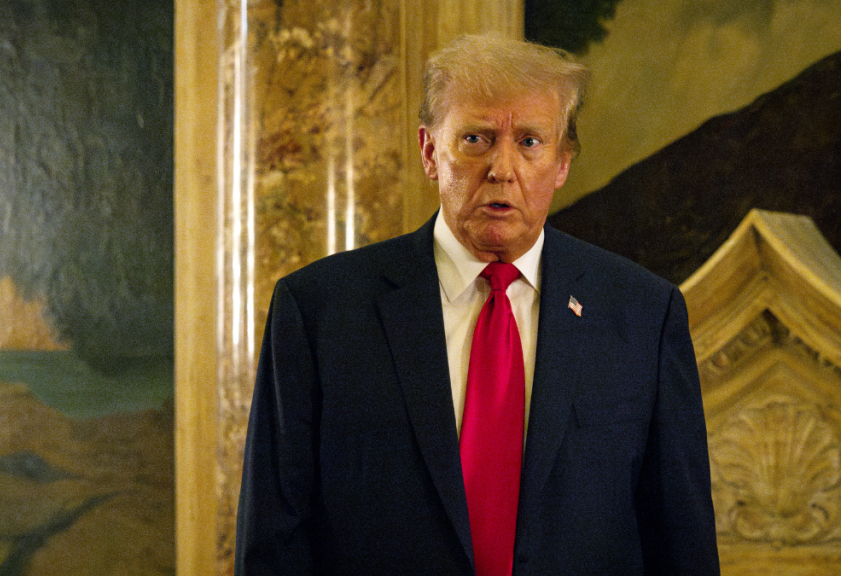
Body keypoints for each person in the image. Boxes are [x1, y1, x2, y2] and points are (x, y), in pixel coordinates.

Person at [236, 34, 719, 576]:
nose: (501, 168)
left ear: (562, 163)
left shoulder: (643, 314)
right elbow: (273, 545)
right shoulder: (320, 312)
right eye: (475, 139)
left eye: (530, 142)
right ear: (429, 151)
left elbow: (682, 545)